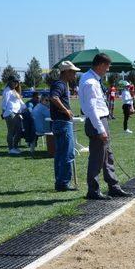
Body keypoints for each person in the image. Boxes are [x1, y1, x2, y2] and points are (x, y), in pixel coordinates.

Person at [79, 53, 130, 200]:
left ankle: (113, 186)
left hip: (100, 120)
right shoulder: (91, 82)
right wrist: (100, 129)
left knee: (108, 156)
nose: (107, 70)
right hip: (97, 122)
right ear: (101, 65)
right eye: (107, 67)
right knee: (97, 158)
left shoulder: (91, 79)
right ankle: (93, 191)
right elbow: (92, 108)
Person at [50, 60, 80, 192]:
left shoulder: (61, 84)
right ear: (66, 72)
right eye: (73, 72)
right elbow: (54, 98)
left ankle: (60, 182)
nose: (75, 75)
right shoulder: (60, 84)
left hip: (59, 122)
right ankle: (63, 183)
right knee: (67, 153)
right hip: (62, 122)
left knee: (61, 154)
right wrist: (65, 110)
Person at [0, 75, 26, 155]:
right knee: (11, 131)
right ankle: (11, 148)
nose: (16, 83)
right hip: (10, 113)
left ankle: (15, 147)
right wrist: (3, 113)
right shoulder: (7, 91)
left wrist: (25, 107)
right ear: (10, 82)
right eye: (15, 81)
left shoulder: (14, 90)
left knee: (19, 131)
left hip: (17, 113)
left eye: (17, 82)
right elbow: (4, 103)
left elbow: (19, 101)